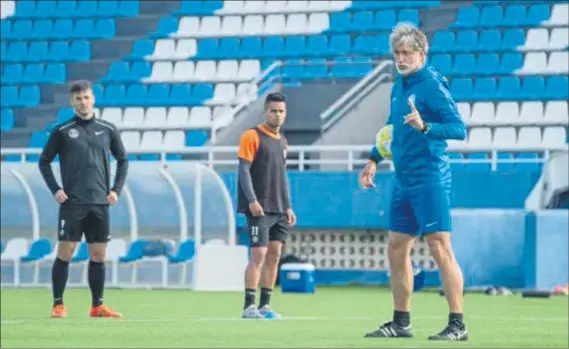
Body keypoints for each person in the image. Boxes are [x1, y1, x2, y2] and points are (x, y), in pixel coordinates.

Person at [359, 23, 469, 341]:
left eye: (407, 53)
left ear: (422, 53)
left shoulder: (432, 85)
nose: (401, 58)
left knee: (439, 247)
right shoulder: (399, 84)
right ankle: (401, 323)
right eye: (397, 53)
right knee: (396, 247)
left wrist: (425, 127)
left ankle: (458, 324)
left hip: (430, 177)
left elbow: (458, 128)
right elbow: (391, 126)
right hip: (402, 179)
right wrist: (373, 159)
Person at [38, 80, 129, 319]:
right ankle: (58, 304)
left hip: (100, 202)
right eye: (78, 99)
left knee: (98, 254)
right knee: (66, 252)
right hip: (72, 203)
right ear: (72, 102)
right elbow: (44, 161)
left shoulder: (107, 129)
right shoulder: (62, 131)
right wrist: (55, 189)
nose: (83, 102)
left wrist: (116, 189)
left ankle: (97, 306)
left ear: (93, 99)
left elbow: (123, 159)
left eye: (87, 97)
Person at [236, 92, 297, 319]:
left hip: (280, 208)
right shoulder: (251, 136)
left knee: (274, 255)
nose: (278, 115)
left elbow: (282, 176)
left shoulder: (283, 141)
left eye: (281, 111)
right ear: (265, 111)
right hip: (259, 207)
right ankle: (248, 307)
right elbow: (243, 171)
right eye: (273, 111)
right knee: (258, 255)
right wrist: (251, 200)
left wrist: (288, 206)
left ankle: (265, 306)